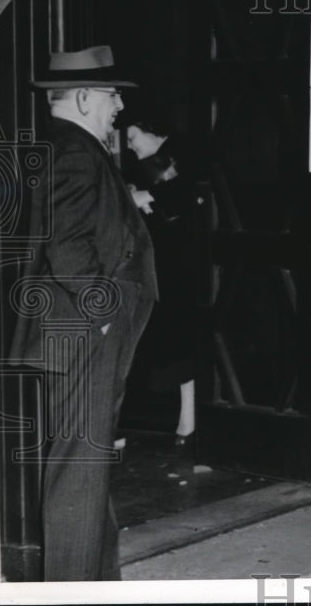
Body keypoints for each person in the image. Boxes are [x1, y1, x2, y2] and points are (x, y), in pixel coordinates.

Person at [8, 46, 158, 580]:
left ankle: (97, 583)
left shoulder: (73, 146)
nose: (119, 104)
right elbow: (67, 243)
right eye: (113, 93)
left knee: (88, 465)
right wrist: (103, 313)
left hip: (82, 331)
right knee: (79, 468)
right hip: (82, 331)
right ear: (86, 96)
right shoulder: (72, 149)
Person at [123, 115, 199, 445]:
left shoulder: (178, 164)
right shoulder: (153, 167)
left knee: (175, 344)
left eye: (134, 136)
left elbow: (178, 202)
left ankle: (185, 421)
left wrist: (144, 197)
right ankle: (185, 421)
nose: (129, 144)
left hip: (176, 269)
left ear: (157, 134)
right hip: (165, 267)